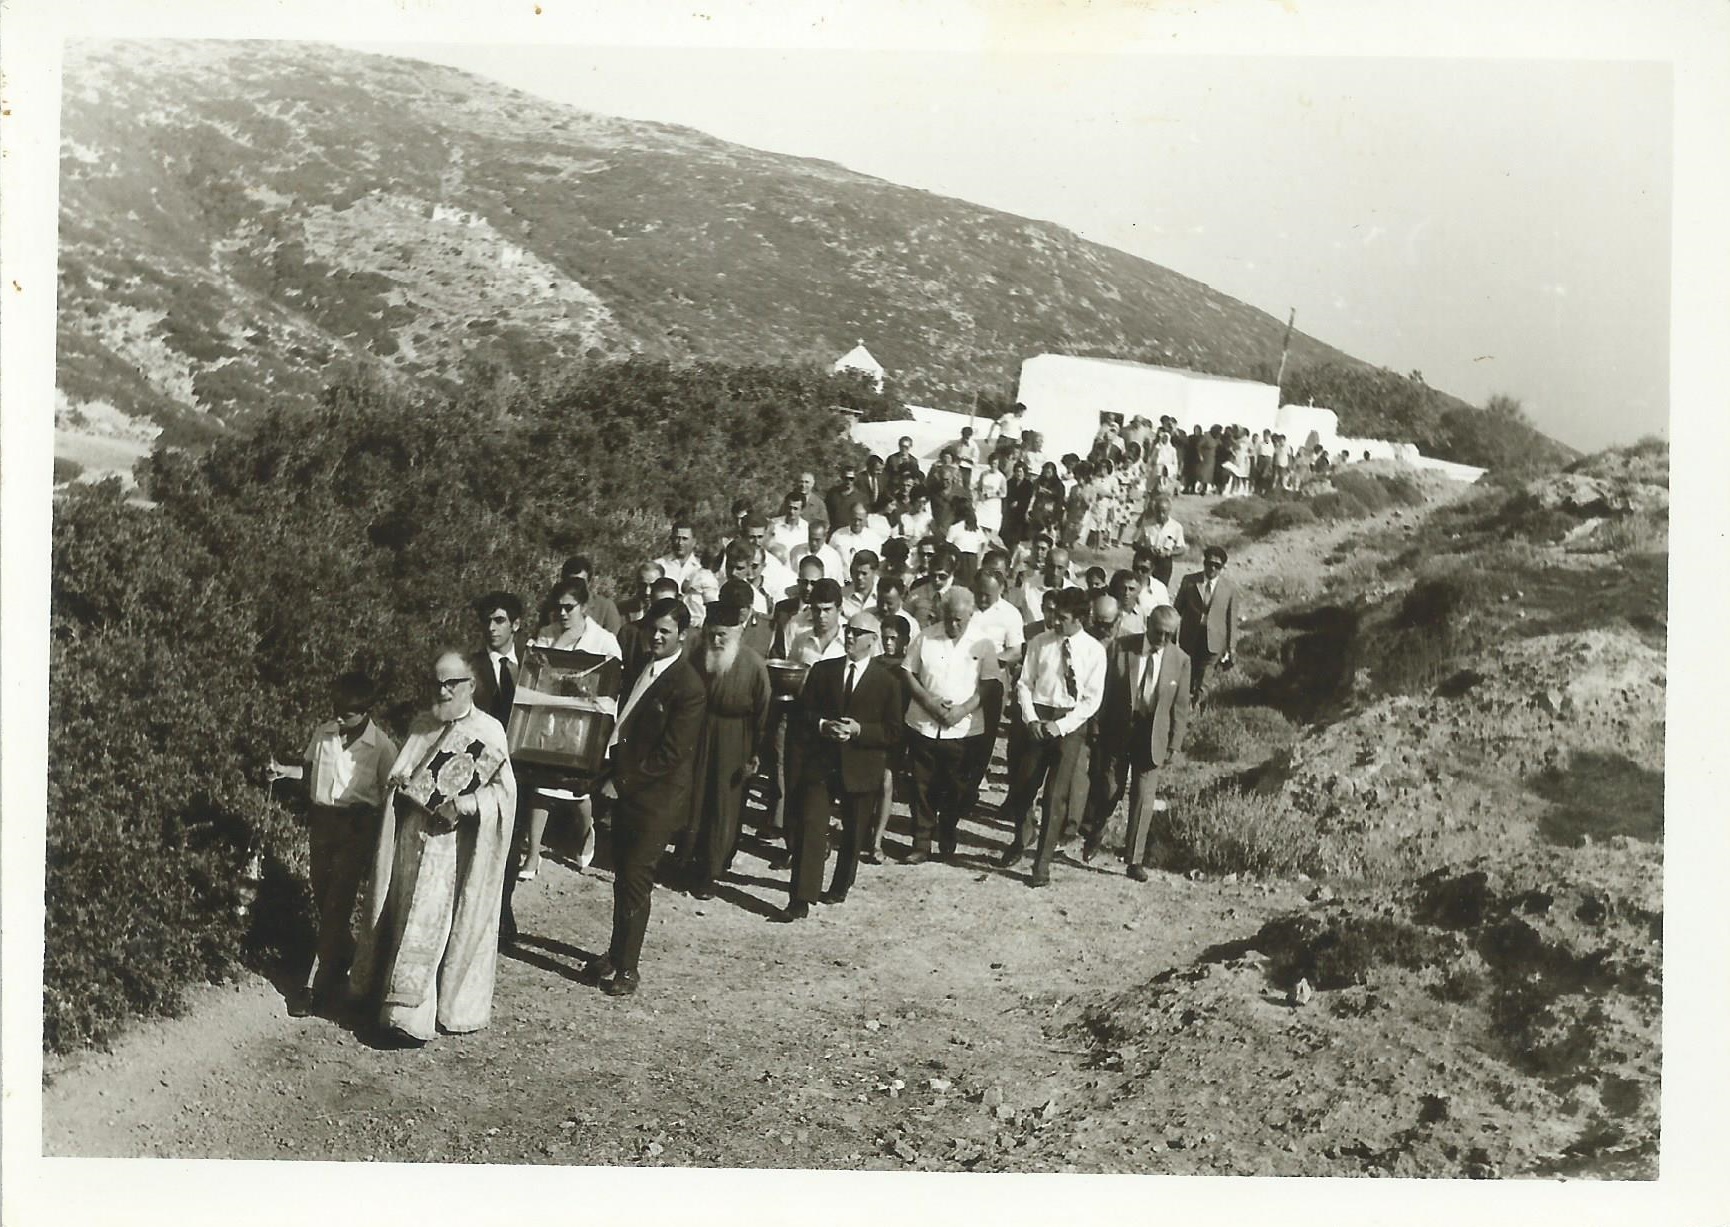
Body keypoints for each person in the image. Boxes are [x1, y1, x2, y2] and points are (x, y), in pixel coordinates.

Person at [349, 651, 516, 1045]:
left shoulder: (490, 730)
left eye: (451, 683)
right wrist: (400, 785)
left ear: (471, 685)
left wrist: (464, 805)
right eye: (437, 683)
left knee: (434, 925)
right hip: (411, 840)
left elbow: (505, 797)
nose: (442, 691)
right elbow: (399, 773)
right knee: (403, 919)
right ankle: (387, 1000)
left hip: (452, 847)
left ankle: (411, 1015)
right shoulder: (422, 725)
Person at [576, 598, 706, 997]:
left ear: (683, 635)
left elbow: (671, 754)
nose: (657, 637)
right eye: (653, 629)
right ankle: (615, 954)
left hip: (656, 800)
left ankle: (628, 969)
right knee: (623, 876)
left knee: (636, 879)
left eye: (666, 631)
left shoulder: (688, 687)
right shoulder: (645, 667)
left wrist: (623, 783)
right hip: (630, 791)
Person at [266, 670, 398, 1017]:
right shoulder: (323, 733)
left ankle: (314, 985)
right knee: (323, 893)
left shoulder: (382, 747)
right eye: (336, 710)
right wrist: (282, 770)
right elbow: (310, 773)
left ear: (366, 711)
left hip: (356, 828)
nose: (339, 718)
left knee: (339, 900)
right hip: (322, 824)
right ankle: (348, 952)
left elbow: (392, 794)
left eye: (347, 714)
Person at [776, 610, 904, 919]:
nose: (849, 635)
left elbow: (893, 732)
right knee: (811, 825)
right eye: (848, 629)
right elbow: (803, 714)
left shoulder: (887, 682)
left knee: (854, 831)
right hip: (822, 764)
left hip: (861, 767)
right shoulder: (824, 671)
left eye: (857, 632)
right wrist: (823, 725)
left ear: (872, 640)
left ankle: (840, 885)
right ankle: (800, 898)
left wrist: (860, 730)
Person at [997, 588, 1106, 887]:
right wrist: (1031, 718)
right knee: (1023, 786)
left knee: (1055, 796)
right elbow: (1024, 684)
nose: (1055, 622)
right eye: (1055, 616)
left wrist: (1062, 726)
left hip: (1069, 724)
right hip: (1038, 716)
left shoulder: (1094, 651)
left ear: (1080, 619)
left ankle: (1041, 864)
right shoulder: (1039, 643)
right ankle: (1021, 837)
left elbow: (1091, 700)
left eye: (1063, 618)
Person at [520, 577, 621, 881]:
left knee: (577, 792)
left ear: (584, 606)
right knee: (540, 787)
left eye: (569, 608)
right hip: (548, 722)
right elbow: (534, 675)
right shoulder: (547, 635)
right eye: (558, 608)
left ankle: (587, 833)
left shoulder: (604, 640)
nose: (563, 614)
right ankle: (533, 855)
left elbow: (611, 689)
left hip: (583, 728)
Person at [1078, 606, 1191, 877]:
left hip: (1151, 734)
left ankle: (1134, 859)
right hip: (1118, 729)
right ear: (1147, 623)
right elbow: (1103, 690)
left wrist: (1174, 743)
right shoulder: (1121, 647)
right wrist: (1095, 724)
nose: (1162, 639)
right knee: (1109, 788)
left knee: (1143, 797)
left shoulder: (1180, 660)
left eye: (1168, 635)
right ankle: (1096, 829)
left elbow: (1180, 706)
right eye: (1158, 632)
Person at [675, 599, 772, 900]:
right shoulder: (697, 657)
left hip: (734, 739)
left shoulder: (753, 664)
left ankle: (711, 872)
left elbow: (763, 712)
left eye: (723, 636)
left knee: (723, 805)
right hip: (698, 733)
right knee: (693, 799)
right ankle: (686, 860)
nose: (716, 641)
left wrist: (755, 753)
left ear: (737, 634)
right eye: (712, 634)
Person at [901, 587, 999, 863]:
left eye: (959, 620)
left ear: (970, 616)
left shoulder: (983, 643)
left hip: (962, 727)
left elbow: (989, 684)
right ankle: (921, 843)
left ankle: (947, 831)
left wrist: (962, 710)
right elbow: (908, 672)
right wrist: (928, 702)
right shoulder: (925, 637)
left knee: (956, 786)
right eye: (949, 618)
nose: (953, 625)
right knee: (921, 785)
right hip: (924, 723)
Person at [1173, 545, 1241, 708]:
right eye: (1209, 563)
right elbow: (1177, 610)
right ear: (1204, 563)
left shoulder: (1230, 588)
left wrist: (1231, 648)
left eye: (1217, 565)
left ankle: (1197, 708)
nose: (1212, 568)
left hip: (1214, 639)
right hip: (1190, 636)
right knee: (1188, 673)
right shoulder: (1189, 581)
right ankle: (1183, 707)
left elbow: (1232, 620)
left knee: (1205, 677)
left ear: (1222, 567)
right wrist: (1171, 634)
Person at [560, 555, 624, 636]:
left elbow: (613, 639)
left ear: (589, 582)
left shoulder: (606, 607)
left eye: (580, 582)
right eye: (570, 582)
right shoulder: (553, 606)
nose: (575, 587)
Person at [1134, 496, 1186, 589]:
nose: (1161, 515)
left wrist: (1169, 553)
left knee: (1161, 588)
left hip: (1164, 563)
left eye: (1164, 512)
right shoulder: (1146, 524)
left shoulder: (1176, 527)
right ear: (1154, 511)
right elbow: (1135, 544)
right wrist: (1147, 549)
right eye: (1158, 511)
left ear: (1169, 511)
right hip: (1147, 560)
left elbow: (1181, 548)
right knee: (1142, 587)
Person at [829, 500, 887, 573]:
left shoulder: (874, 538)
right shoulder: (838, 535)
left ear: (866, 518)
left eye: (860, 520)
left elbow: (877, 565)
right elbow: (829, 558)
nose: (857, 523)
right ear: (849, 517)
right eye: (854, 519)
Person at [789, 519, 846, 586]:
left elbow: (839, 584)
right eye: (811, 538)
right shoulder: (796, 552)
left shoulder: (833, 557)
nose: (813, 543)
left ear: (825, 537)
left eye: (817, 540)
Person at [656, 520, 704, 588]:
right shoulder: (659, 565)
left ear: (694, 542)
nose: (680, 543)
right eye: (677, 538)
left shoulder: (700, 568)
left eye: (684, 538)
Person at [842, 549, 881, 619]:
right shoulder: (842, 596)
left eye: (864, 573)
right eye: (856, 572)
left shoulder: (883, 596)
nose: (859, 577)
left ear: (875, 572)